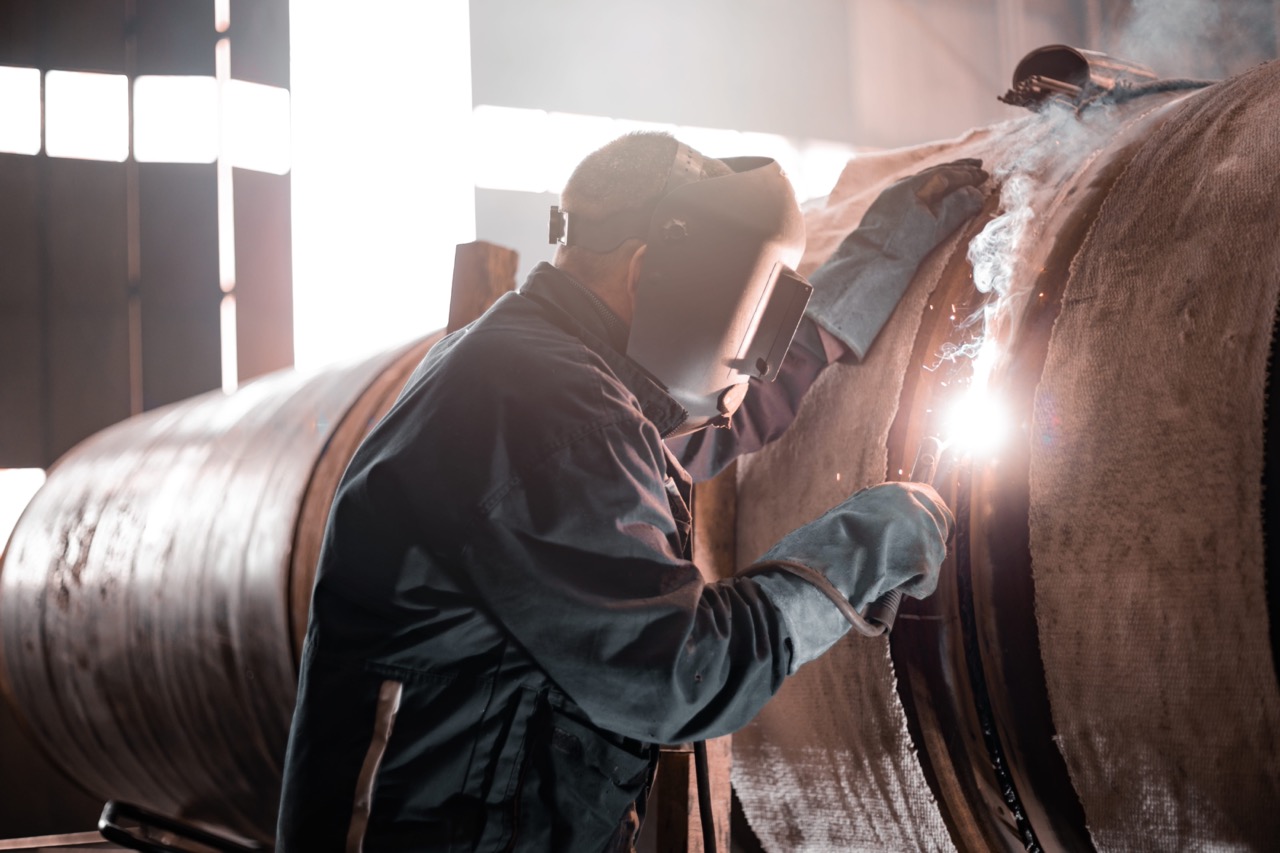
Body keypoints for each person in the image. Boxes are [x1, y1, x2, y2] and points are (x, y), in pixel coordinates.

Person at [276, 132, 985, 852]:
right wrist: (866, 545)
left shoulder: (526, 360)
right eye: (744, 308)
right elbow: (679, 672)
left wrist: (857, 287)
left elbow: (686, 435)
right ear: (652, 272)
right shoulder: (549, 409)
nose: (744, 344)